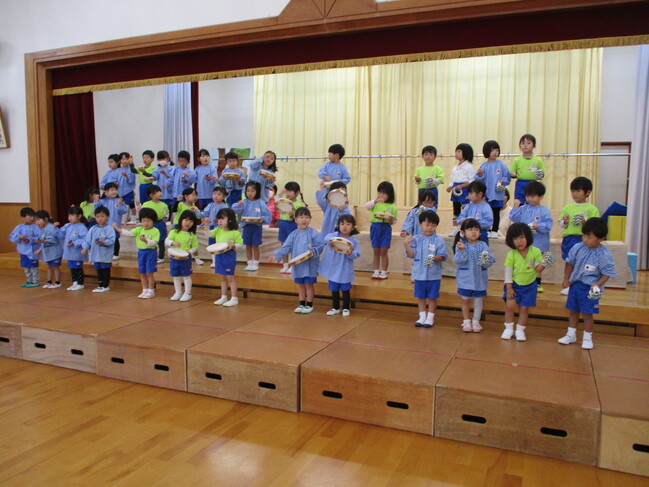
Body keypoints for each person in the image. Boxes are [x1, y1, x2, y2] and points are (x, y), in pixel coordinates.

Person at [558, 218, 616, 350]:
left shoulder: (604, 254)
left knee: (588, 313)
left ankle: (587, 337)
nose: (585, 239)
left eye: (589, 237)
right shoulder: (577, 248)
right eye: (584, 235)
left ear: (601, 239)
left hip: (591, 288)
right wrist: (566, 278)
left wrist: (597, 285)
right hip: (576, 285)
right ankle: (570, 334)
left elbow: (607, 272)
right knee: (573, 311)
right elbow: (569, 263)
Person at [270, 207, 324, 314]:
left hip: (310, 265)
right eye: (301, 217)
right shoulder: (293, 234)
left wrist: (313, 250)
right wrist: (277, 254)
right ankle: (301, 303)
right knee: (301, 285)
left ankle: (309, 304)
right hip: (298, 265)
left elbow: (320, 245)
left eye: (307, 217)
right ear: (296, 220)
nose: (304, 220)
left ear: (310, 219)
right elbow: (286, 247)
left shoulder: (313, 233)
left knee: (309, 285)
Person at [502, 223, 549, 341]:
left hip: (529, 286)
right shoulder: (511, 254)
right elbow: (508, 273)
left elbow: (538, 269)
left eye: (522, 237)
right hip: (514, 285)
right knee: (510, 306)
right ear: (511, 241)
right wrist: (509, 288)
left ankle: (520, 330)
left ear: (528, 236)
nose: (519, 241)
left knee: (524, 309)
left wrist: (545, 262)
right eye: (515, 238)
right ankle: (508, 328)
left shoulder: (536, 251)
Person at [404, 210, 447, 327]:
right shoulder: (415, 239)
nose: (430, 228)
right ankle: (422, 317)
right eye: (427, 225)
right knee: (421, 297)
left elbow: (443, 256)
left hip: (434, 275)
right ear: (420, 224)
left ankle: (430, 318)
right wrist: (406, 244)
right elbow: (411, 255)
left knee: (432, 297)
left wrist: (436, 258)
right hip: (419, 274)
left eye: (433, 225)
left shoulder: (438, 240)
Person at [509, 181, 553, 292]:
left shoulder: (544, 210)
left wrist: (538, 226)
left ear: (541, 196)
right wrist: (515, 206)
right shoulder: (524, 208)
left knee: (538, 263)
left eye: (533, 196)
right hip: (525, 243)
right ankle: (524, 282)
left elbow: (549, 225)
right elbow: (513, 217)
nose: (529, 199)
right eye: (528, 196)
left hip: (539, 243)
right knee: (525, 262)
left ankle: (537, 283)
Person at [558, 176, 600, 295]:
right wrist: (565, 222)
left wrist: (586, 223)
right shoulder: (568, 207)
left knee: (583, 262)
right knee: (569, 261)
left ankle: (583, 284)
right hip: (570, 238)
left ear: (587, 192)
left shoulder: (592, 209)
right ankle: (567, 283)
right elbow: (561, 224)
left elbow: (596, 226)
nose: (574, 194)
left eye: (578, 191)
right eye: (573, 191)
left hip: (584, 239)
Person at [453, 218, 495, 332]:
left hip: (479, 279)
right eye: (470, 229)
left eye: (476, 229)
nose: (474, 232)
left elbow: (491, 259)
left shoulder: (483, 245)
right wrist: (461, 251)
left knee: (478, 301)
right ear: (463, 232)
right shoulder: (461, 245)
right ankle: (466, 321)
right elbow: (458, 260)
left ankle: (476, 322)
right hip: (465, 279)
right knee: (465, 300)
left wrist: (485, 260)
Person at [113, 208, 160, 299]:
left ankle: (151, 290)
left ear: (153, 221)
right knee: (142, 272)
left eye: (148, 221)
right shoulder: (139, 229)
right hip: (141, 252)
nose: (146, 223)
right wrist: (118, 229)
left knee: (149, 273)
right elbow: (129, 233)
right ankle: (144, 290)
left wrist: (146, 241)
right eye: (143, 221)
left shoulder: (155, 231)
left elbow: (154, 242)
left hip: (150, 252)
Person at [319, 214, 361, 317]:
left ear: (353, 227)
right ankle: (335, 307)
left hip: (345, 269)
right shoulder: (333, 235)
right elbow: (326, 238)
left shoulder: (353, 241)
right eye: (342, 224)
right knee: (334, 289)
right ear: (338, 225)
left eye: (348, 224)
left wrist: (350, 253)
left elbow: (356, 254)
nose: (345, 226)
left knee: (345, 289)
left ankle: (346, 308)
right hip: (333, 268)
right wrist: (332, 240)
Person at [231, 181, 271, 271]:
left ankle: (256, 263)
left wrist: (262, 218)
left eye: (252, 191)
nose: (250, 193)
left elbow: (267, 216)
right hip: (246, 227)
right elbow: (234, 210)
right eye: (248, 191)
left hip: (256, 227)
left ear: (257, 191)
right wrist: (238, 204)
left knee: (255, 245)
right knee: (248, 245)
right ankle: (249, 263)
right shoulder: (244, 202)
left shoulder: (261, 203)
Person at [207, 208, 244, 307]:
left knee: (230, 277)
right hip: (219, 256)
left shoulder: (234, 232)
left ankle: (234, 298)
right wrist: (206, 226)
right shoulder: (218, 230)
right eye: (219, 218)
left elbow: (240, 244)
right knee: (222, 277)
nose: (220, 221)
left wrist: (233, 246)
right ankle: (224, 296)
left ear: (230, 219)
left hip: (229, 256)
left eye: (222, 218)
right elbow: (209, 234)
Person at [475, 140, 511, 237]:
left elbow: (507, 176)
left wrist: (503, 181)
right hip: (487, 194)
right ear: (487, 151)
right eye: (492, 150)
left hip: (498, 194)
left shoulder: (502, 164)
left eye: (497, 150)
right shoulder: (483, 166)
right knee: (487, 213)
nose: (495, 152)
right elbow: (479, 181)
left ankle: (495, 230)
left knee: (496, 212)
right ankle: (487, 230)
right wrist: (480, 175)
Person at [365, 181, 397, 280]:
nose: (381, 195)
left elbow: (394, 221)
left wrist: (391, 220)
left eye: (384, 193)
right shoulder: (375, 204)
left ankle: (384, 272)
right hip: (375, 227)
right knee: (376, 250)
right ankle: (376, 271)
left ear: (389, 194)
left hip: (386, 228)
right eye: (380, 192)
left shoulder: (392, 206)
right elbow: (367, 206)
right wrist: (375, 201)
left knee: (384, 251)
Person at [165, 210, 200, 302]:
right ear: (181, 220)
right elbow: (167, 241)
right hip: (174, 257)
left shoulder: (192, 235)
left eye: (191, 221)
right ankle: (178, 292)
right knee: (175, 276)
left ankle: (187, 293)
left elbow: (195, 247)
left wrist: (189, 251)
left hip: (186, 258)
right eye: (186, 220)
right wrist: (173, 243)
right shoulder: (174, 232)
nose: (188, 223)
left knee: (186, 275)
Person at [82, 205, 115, 293]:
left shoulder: (109, 229)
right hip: (96, 254)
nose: (100, 219)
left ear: (107, 217)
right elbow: (88, 240)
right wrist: (85, 248)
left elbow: (112, 240)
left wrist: (104, 242)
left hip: (105, 255)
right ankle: (100, 285)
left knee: (105, 270)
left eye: (102, 216)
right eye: (97, 217)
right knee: (98, 270)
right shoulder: (93, 229)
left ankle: (105, 285)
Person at [446, 143, 476, 236]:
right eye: (456, 151)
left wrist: (462, 186)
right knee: (456, 210)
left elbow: (471, 181)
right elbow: (452, 179)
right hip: (456, 190)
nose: (456, 153)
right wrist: (450, 186)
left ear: (465, 153)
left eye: (459, 151)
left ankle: (464, 228)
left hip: (464, 190)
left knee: (465, 209)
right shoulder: (455, 166)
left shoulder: (469, 167)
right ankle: (455, 228)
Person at [277, 181, 307, 273]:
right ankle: (285, 265)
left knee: (293, 246)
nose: (288, 193)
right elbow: (277, 203)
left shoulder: (298, 205)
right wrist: (280, 194)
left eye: (290, 191)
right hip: (282, 224)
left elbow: (299, 219)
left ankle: (293, 265)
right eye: (287, 191)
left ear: (297, 193)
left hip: (292, 225)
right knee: (283, 245)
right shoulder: (284, 201)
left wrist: (292, 215)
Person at [8, 207, 41, 287]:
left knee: (33, 267)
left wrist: (30, 240)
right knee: (26, 267)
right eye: (30, 216)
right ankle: (29, 281)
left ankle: (35, 281)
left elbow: (39, 238)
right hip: (23, 251)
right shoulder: (19, 227)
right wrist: (19, 237)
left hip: (32, 251)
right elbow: (11, 236)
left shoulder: (35, 227)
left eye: (33, 216)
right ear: (23, 217)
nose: (32, 218)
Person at [95, 182, 128, 260]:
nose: (114, 192)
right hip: (104, 225)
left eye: (115, 190)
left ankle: (115, 254)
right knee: (104, 239)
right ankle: (105, 253)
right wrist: (96, 201)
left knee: (115, 239)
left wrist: (120, 205)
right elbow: (97, 210)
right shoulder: (103, 201)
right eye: (112, 190)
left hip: (115, 225)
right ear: (106, 192)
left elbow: (123, 211)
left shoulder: (119, 200)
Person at [59, 206, 88, 291]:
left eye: (72, 215)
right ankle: (75, 282)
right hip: (70, 252)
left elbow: (85, 239)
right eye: (69, 215)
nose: (70, 217)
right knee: (72, 268)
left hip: (77, 252)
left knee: (78, 268)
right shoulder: (68, 226)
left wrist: (75, 243)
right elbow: (60, 234)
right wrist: (55, 228)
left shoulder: (82, 227)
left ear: (79, 216)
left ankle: (80, 283)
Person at [510, 134, 545, 204]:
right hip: (520, 183)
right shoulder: (517, 160)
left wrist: (539, 176)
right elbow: (512, 172)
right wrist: (513, 174)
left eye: (528, 143)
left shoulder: (538, 160)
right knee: (518, 201)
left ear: (533, 145)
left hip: (533, 184)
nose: (525, 145)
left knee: (532, 202)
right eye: (523, 143)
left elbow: (541, 174)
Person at [456, 181, 493, 245]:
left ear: (480, 194)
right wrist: (464, 221)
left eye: (471, 194)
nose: (469, 196)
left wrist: (474, 222)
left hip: (481, 235)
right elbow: (459, 219)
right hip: (467, 235)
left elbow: (488, 222)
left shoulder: (486, 207)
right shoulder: (468, 206)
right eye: (468, 194)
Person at [34, 209, 63, 289]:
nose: (37, 222)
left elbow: (54, 239)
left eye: (38, 220)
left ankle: (57, 282)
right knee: (50, 267)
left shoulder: (51, 227)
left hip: (55, 252)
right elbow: (41, 239)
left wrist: (44, 241)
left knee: (55, 267)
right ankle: (49, 281)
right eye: (36, 220)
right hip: (48, 252)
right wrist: (39, 249)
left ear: (46, 219)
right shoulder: (41, 229)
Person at [201, 186, 229, 268]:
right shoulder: (210, 205)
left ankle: (222, 260)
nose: (216, 196)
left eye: (219, 194)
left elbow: (227, 217)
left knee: (221, 243)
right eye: (214, 194)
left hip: (222, 229)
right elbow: (204, 214)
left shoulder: (225, 206)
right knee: (212, 244)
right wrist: (196, 212)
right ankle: (214, 261)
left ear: (224, 196)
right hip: (212, 227)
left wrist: (220, 221)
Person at [141, 184, 170, 264]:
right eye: (157, 192)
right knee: (150, 240)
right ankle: (151, 256)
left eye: (160, 191)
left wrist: (166, 218)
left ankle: (161, 257)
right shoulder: (146, 204)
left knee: (161, 241)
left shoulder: (164, 204)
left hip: (161, 224)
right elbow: (143, 213)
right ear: (151, 195)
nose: (160, 193)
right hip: (151, 224)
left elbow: (167, 213)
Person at [117, 152, 137, 223]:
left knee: (131, 205)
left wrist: (126, 176)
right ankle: (122, 219)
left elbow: (132, 180)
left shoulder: (131, 169)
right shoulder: (118, 170)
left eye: (126, 159)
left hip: (128, 190)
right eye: (123, 159)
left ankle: (133, 219)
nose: (125, 161)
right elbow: (116, 179)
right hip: (120, 191)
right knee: (121, 205)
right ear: (120, 161)